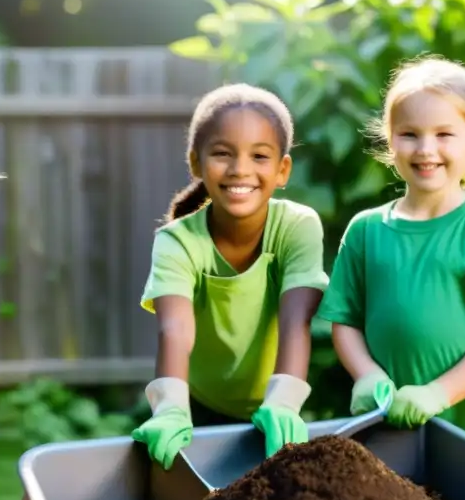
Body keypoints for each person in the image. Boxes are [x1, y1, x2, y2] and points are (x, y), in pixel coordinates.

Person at [315, 56, 465, 445]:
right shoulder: (366, 231)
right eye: (409, 134)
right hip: (383, 438)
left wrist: (438, 394)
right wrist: (366, 374)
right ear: (390, 140)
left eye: (444, 134)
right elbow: (345, 321)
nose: (425, 148)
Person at [132, 83, 329, 470]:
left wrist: (285, 402)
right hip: (200, 412)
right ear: (196, 163)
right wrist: (171, 407)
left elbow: (296, 320)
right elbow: (174, 328)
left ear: (282, 169)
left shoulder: (297, 227)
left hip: (276, 409)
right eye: (223, 154)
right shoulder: (178, 241)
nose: (240, 169)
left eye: (259, 156)